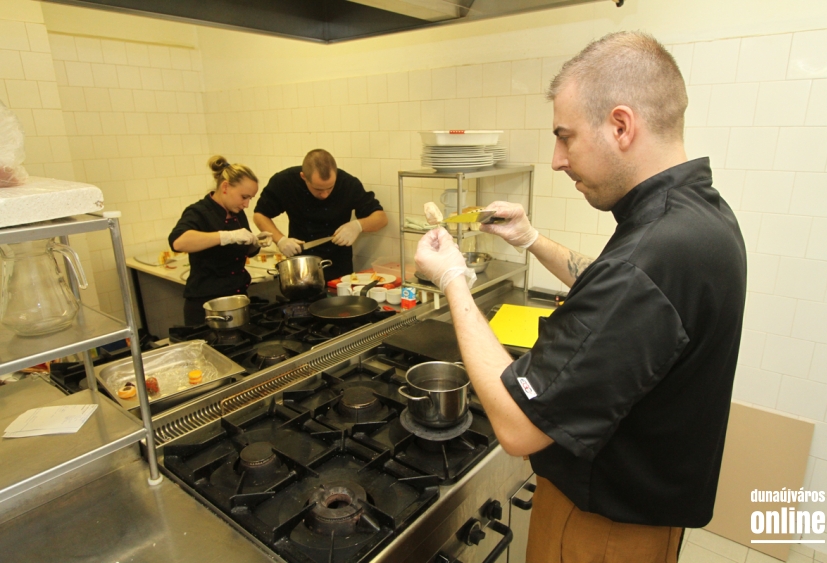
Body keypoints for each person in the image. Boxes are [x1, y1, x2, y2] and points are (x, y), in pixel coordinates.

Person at [415, 32, 746, 563]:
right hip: (647, 521)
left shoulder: (652, 256)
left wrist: (453, 277)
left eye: (565, 137)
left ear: (620, 125)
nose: (556, 160)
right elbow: (614, 285)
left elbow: (518, 427)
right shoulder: (696, 215)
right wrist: (530, 239)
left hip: (604, 530)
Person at [252, 149, 387, 282]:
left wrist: (358, 226)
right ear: (303, 177)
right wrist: (280, 240)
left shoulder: (348, 183)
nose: (325, 194)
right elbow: (260, 215)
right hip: (300, 266)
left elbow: (381, 218)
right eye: (318, 189)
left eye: (330, 188)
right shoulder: (285, 182)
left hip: (339, 269)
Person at [169, 156, 271, 325]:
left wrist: (254, 243)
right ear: (225, 187)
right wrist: (226, 236)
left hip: (237, 300)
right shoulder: (199, 211)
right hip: (207, 307)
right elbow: (179, 242)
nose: (246, 204)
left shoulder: (237, 212)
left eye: (250, 199)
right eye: (244, 197)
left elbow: (238, 252)